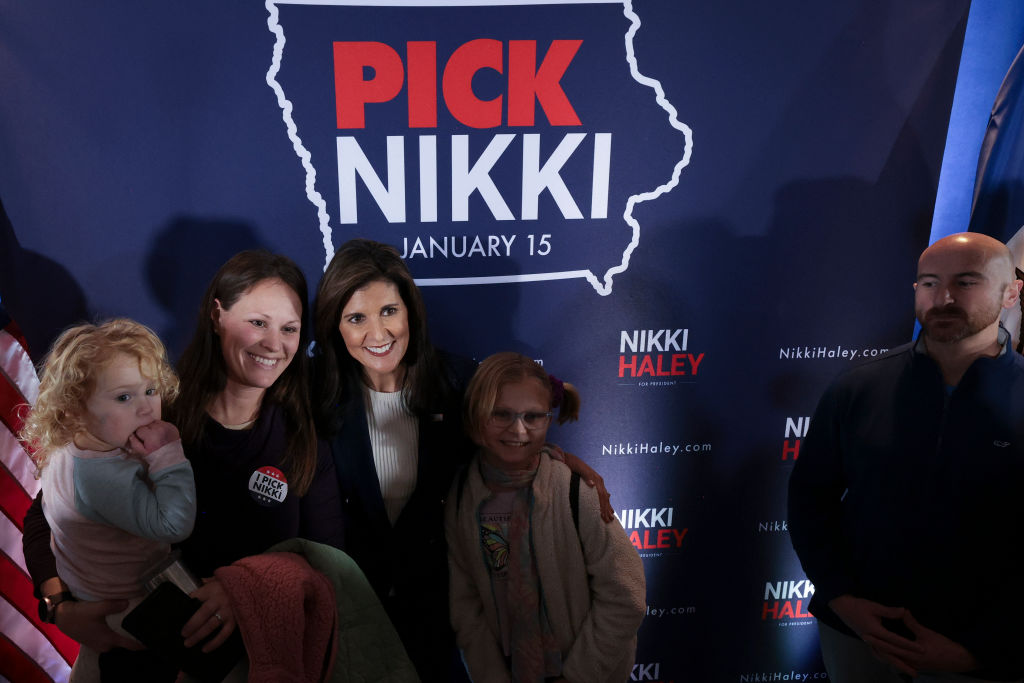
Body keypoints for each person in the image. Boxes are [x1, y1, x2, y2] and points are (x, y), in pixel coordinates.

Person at [23, 251, 346, 678]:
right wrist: (59, 607)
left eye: (289, 328)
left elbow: (329, 566)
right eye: (257, 322)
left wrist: (242, 592)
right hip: (133, 655)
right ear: (217, 315)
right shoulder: (151, 413)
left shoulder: (303, 441)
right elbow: (46, 514)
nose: (274, 343)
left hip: (245, 662)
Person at [312, 238, 612, 681]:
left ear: (410, 309)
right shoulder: (313, 392)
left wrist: (560, 460)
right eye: (357, 318)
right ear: (336, 325)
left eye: (389, 311)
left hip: (440, 615)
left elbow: (509, 438)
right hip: (351, 616)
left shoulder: (460, 381)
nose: (378, 334)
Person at [788, 232, 1024, 682]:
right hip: (857, 638)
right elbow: (809, 501)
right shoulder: (857, 386)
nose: (945, 297)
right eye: (929, 283)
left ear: (1012, 291)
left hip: (983, 654)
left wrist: (986, 651)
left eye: (967, 282)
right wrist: (842, 600)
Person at [445, 352, 645, 682]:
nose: (519, 430)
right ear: (476, 416)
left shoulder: (576, 492)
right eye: (501, 414)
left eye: (533, 417)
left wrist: (577, 676)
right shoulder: (461, 499)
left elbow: (625, 596)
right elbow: (465, 606)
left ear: (548, 420)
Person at [23, 318, 195, 682]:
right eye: (124, 397)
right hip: (132, 610)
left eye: (151, 390)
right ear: (74, 409)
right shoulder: (103, 476)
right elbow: (175, 524)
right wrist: (168, 455)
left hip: (95, 601)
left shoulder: (71, 448)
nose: (148, 408)